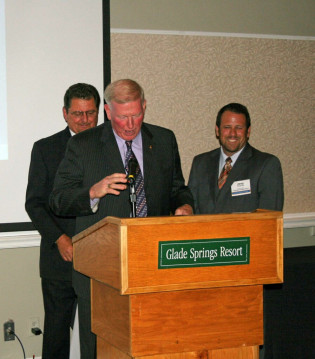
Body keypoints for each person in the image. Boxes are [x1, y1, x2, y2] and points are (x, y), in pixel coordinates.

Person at [49, 79, 194, 359]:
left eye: (136, 115)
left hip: (153, 263)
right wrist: (91, 192)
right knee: (100, 348)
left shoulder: (164, 140)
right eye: (122, 117)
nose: (130, 124)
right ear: (107, 111)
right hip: (100, 268)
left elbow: (178, 188)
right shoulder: (82, 145)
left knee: (151, 342)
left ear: (145, 106)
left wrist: (185, 206)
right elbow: (57, 200)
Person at [25, 83, 100, 359]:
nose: (84, 120)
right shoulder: (45, 149)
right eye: (78, 113)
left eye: (90, 113)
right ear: (65, 113)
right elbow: (34, 203)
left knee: (100, 334)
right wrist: (59, 239)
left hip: (101, 259)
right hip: (60, 259)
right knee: (57, 336)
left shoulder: (111, 148)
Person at [188, 102, 284, 214]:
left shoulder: (266, 165)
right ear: (217, 130)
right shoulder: (200, 163)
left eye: (239, 128)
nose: (232, 134)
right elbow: (192, 210)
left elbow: (269, 219)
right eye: (227, 127)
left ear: (248, 132)